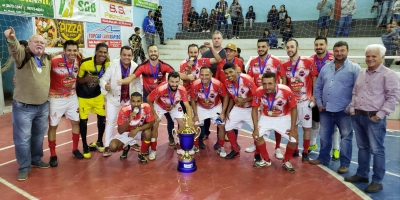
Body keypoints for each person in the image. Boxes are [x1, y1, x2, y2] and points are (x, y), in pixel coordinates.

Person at [5, 27, 59, 180]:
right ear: (29, 44)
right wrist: (11, 38)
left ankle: (36, 159)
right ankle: (24, 166)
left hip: (42, 106)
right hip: (24, 107)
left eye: (42, 42)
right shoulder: (23, 56)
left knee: (37, 137)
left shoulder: (47, 58)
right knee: (22, 139)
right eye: (36, 42)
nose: (40, 44)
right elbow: (15, 49)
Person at [345, 44, 400, 193]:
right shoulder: (362, 73)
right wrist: (352, 108)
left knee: (377, 150)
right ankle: (362, 174)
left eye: (373, 56)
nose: (370, 59)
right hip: (358, 116)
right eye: (368, 56)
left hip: (374, 118)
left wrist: (380, 115)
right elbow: (355, 92)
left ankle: (377, 181)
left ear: (382, 57)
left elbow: (394, 97)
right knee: (363, 148)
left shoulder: (389, 75)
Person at [118, 45, 188, 148]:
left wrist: (189, 77)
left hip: (164, 96)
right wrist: (122, 81)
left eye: (155, 51)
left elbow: (176, 74)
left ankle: (172, 138)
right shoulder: (143, 66)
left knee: (170, 119)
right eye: (151, 51)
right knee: (150, 122)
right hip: (149, 97)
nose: (153, 53)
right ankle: (147, 144)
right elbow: (132, 77)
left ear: (158, 53)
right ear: (148, 53)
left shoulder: (163, 65)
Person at [310, 41, 361, 175]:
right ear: (333, 52)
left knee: (346, 138)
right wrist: (320, 103)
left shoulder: (355, 69)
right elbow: (319, 86)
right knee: (324, 136)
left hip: (343, 111)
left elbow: (359, 90)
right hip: (326, 110)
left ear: (347, 51)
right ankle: (323, 158)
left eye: (342, 50)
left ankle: (344, 164)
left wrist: (350, 107)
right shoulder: (326, 67)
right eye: (337, 51)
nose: (339, 53)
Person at [280, 39, 318, 163]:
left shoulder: (308, 62)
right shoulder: (285, 65)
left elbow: (314, 78)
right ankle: (295, 148)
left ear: (298, 47)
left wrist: (314, 96)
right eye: (287, 47)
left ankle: (305, 151)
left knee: (307, 128)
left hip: (305, 102)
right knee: (293, 127)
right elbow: (284, 85)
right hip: (292, 104)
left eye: (292, 46)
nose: (289, 49)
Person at [251, 72, 298, 171]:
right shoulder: (259, 92)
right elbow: (254, 109)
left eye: (270, 84)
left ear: (276, 82)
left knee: (293, 140)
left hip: (283, 117)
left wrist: (293, 128)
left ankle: (286, 161)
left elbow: (294, 108)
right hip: (266, 117)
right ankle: (266, 160)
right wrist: (255, 128)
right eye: (264, 84)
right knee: (256, 136)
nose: (267, 87)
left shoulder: (286, 91)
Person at [47, 40, 83, 167]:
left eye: (74, 50)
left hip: (72, 97)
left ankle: (75, 149)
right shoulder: (54, 61)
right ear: (64, 50)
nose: (72, 53)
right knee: (53, 126)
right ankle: (53, 155)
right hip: (56, 98)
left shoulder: (79, 59)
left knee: (75, 122)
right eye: (69, 50)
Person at [246, 38, 284, 159]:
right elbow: (249, 80)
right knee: (257, 123)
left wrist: (282, 94)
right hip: (259, 98)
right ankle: (257, 144)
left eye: (263, 47)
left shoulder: (276, 61)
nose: (261, 49)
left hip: (275, 97)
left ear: (268, 48)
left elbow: (283, 77)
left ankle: (278, 147)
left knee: (277, 121)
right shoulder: (253, 62)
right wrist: (255, 95)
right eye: (259, 47)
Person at [99, 46, 139, 157]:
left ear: (132, 56)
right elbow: (102, 80)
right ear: (120, 55)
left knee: (132, 121)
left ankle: (132, 142)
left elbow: (138, 84)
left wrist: (139, 99)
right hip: (113, 98)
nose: (126, 57)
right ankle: (107, 145)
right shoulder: (113, 64)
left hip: (128, 99)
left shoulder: (135, 66)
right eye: (124, 55)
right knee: (111, 121)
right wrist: (104, 85)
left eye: (129, 55)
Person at [147, 71, 194, 160]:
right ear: (168, 81)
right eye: (172, 82)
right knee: (155, 124)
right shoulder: (160, 89)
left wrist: (190, 121)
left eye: (176, 82)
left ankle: (180, 147)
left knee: (182, 123)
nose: (174, 84)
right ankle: (153, 149)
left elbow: (187, 106)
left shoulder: (182, 89)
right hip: (160, 106)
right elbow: (149, 99)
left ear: (179, 81)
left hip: (175, 105)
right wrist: (154, 115)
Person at [309, 36, 341, 161]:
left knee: (334, 126)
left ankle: (336, 148)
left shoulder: (334, 57)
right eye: (316, 45)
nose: (318, 47)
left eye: (321, 44)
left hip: (332, 97)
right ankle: (313, 143)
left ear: (326, 46)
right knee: (314, 122)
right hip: (317, 97)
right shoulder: (311, 60)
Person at [76, 43, 110, 159]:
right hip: (83, 97)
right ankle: (85, 146)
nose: (102, 54)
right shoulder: (85, 63)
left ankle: (100, 141)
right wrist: (85, 79)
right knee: (83, 122)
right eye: (100, 52)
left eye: (105, 52)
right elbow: (78, 80)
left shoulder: (108, 64)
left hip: (97, 96)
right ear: (95, 52)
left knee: (102, 119)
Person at [220, 62, 257, 159]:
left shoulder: (247, 79)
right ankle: (235, 150)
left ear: (236, 70)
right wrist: (228, 110)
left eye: (231, 72)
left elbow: (257, 96)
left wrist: (244, 100)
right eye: (226, 73)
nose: (229, 75)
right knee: (228, 126)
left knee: (257, 131)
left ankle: (258, 153)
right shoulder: (227, 82)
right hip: (238, 108)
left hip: (250, 109)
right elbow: (232, 97)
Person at [109, 92, 155, 164]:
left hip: (139, 131)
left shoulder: (146, 107)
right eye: (133, 101)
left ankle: (141, 154)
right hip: (126, 132)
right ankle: (126, 147)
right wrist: (129, 120)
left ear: (142, 101)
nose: (136, 104)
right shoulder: (124, 110)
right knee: (112, 147)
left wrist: (137, 129)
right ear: (130, 102)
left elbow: (151, 124)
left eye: (138, 101)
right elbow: (120, 131)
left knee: (148, 133)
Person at [190, 67, 228, 152]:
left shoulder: (218, 84)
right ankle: (195, 146)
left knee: (221, 125)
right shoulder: (195, 84)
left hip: (215, 108)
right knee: (195, 125)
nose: (204, 77)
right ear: (199, 75)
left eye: (207, 75)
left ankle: (221, 147)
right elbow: (192, 99)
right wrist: (195, 114)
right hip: (201, 108)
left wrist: (223, 112)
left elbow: (225, 97)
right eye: (202, 75)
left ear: (211, 75)